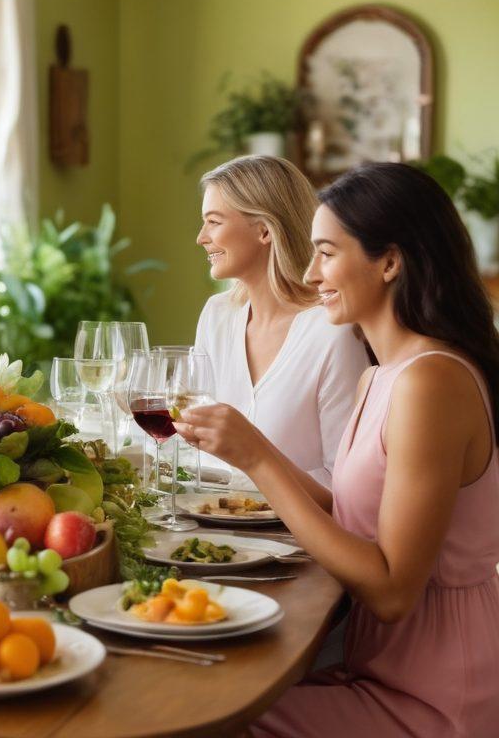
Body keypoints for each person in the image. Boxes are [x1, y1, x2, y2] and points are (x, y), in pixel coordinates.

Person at [176, 163, 499, 737]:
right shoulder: (383, 377)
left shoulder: (431, 383)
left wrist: (257, 457)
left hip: (434, 692)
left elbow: (393, 590)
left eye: (326, 253)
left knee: (200, 721)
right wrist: (250, 456)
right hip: (375, 662)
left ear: (390, 262)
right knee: (203, 687)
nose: (309, 272)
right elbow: (349, 514)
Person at [194, 155, 370, 486]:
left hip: (294, 535)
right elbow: (197, 450)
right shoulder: (216, 315)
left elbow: (345, 483)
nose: (201, 237)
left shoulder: (333, 330)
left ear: (264, 230)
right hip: (211, 522)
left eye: (214, 222)